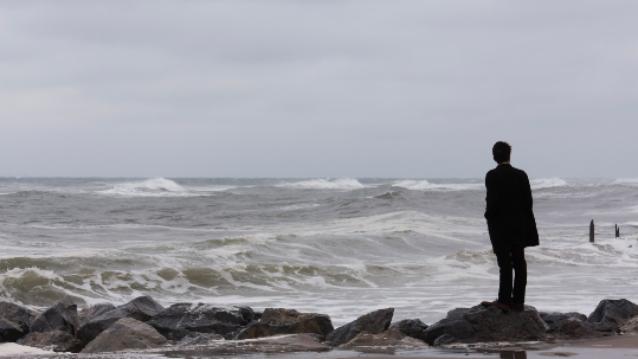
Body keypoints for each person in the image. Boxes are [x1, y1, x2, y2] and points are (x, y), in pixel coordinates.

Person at [483, 141, 539, 312]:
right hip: (519, 225)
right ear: (509, 155)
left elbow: (492, 203)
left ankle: (504, 299)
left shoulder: (492, 175)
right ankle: (519, 301)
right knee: (519, 262)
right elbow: (528, 202)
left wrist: (488, 216)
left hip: (500, 227)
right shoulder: (521, 175)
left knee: (504, 263)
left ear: (494, 156)